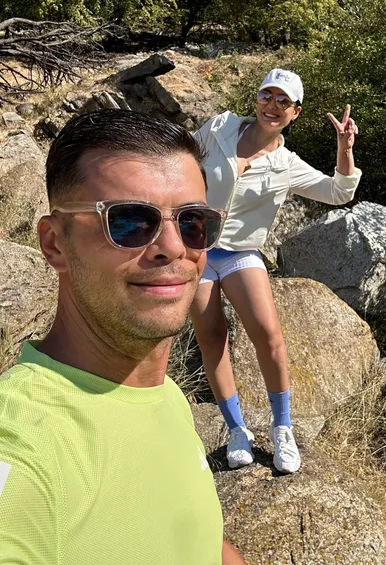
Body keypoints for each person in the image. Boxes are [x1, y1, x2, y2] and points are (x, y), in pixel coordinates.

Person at [0, 110, 245, 565]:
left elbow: (195, 541)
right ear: (54, 243)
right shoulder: (22, 444)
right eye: (130, 221)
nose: (174, 247)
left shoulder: (165, 396)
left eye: (193, 222)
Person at [192, 68, 361, 474]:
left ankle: (282, 427)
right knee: (211, 336)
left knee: (269, 336)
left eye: (283, 101)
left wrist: (344, 148)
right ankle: (237, 430)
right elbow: (179, 158)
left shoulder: (286, 164)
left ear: (295, 112)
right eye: (267, 95)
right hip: (195, 247)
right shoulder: (219, 128)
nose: (273, 105)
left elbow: (338, 192)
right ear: (257, 99)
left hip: (240, 252)